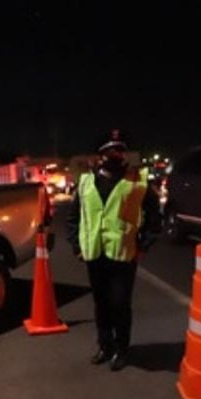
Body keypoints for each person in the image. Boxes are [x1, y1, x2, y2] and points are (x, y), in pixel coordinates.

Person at [66, 131, 161, 370]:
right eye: (109, 150)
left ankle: (121, 349)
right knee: (101, 304)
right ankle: (104, 346)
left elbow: (154, 217)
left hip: (124, 253)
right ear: (100, 155)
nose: (114, 154)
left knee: (120, 303)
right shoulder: (86, 182)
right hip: (94, 253)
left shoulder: (137, 180)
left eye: (119, 149)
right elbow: (74, 217)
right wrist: (77, 245)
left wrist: (144, 245)